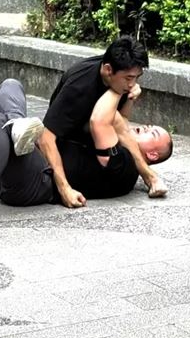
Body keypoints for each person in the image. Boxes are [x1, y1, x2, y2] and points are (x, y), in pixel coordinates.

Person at [0, 78, 173, 234]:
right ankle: (17, 126)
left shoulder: (126, 169)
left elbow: (104, 121)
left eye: (152, 133)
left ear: (153, 154)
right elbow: (122, 125)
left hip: (37, 181)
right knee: (10, 85)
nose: (147, 127)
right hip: (30, 158)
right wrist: (129, 97)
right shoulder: (124, 148)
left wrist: (119, 84)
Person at [38, 35, 169, 209]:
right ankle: (149, 176)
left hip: (95, 146)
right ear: (108, 70)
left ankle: (149, 176)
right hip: (69, 143)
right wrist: (65, 189)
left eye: (137, 78)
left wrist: (129, 99)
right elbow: (46, 137)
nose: (133, 84)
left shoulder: (119, 79)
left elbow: (121, 123)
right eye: (128, 78)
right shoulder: (79, 86)